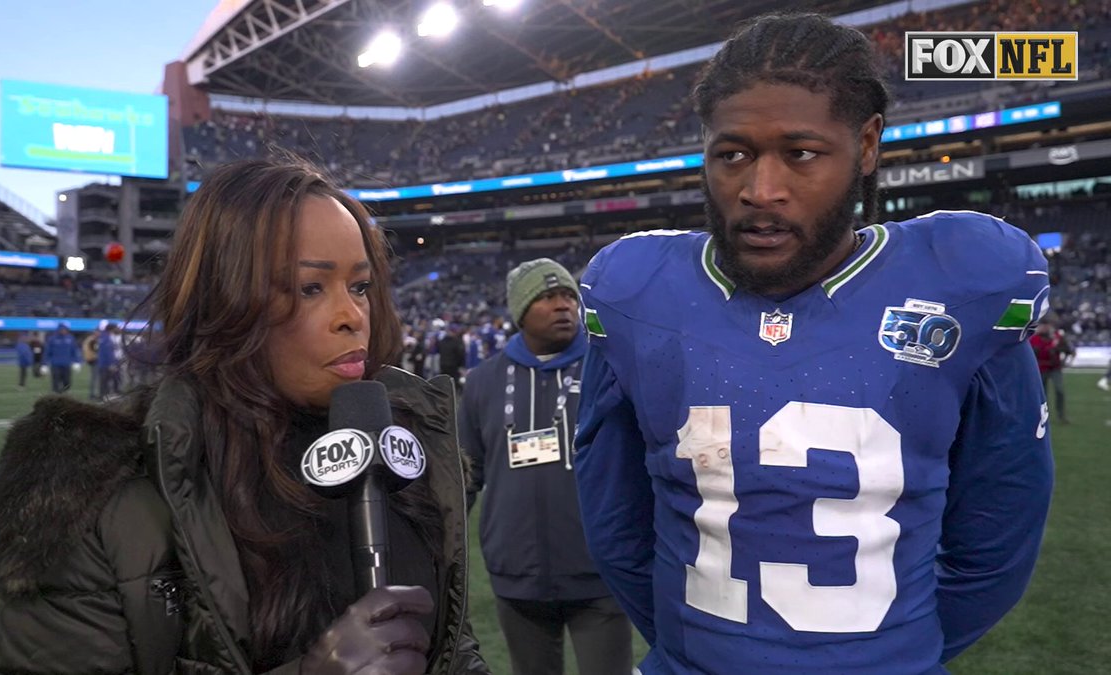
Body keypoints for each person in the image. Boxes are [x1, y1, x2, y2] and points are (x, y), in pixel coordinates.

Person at [574, 13, 1053, 674]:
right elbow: (616, 526)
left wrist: (891, 648)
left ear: (866, 146)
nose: (760, 189)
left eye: (799, 153)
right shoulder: (636, 295)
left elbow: (998, 535)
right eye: (732, 153)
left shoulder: (963, 287)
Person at [0, 157, 489, 675]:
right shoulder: (90, 486)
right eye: (310, 288)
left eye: (360, 286)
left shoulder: (407, 450)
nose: (353, 317)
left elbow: (455, 650)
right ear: (228, 299)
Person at [460, 258, 632, 675]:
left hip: (598, 574)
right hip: (516, 574)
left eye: (569, 296)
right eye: (547, 297)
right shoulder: (483, 381)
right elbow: (467, 474)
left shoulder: (609, 368)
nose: (563, 306)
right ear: (520, 311)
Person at [1030, 318, 1074, 424]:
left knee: (1059, 390)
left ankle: (1061, 415)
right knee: (1042, 394)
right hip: (1041, 368)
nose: (1045, 328)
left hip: (1055, 368)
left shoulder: (1058, 337)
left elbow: (1069, 350)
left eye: (1047, 325)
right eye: (1043, 325)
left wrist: (1064, 361)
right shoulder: (1034, 339)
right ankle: (1041, 416)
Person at [42, 323, 81, 393]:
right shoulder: (52, 339)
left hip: (66, 364)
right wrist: (44, 364)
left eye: (65, 330)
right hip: (55, 364)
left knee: (67, 381)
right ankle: (56, 394)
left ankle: (66, 393)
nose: (64, 331)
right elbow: (47, 352)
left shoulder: (70, 338)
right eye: (63, 329)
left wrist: (76, 362)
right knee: (56, 382)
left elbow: (74, 351)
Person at [98, 322, 126, 399]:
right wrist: (112, 364)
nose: (117, 329)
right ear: (112, 329)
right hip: (106, 364)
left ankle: (105, 395)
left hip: (104, 363)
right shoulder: (106, 338)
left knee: (106, 381)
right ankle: (104, 396)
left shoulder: (104, 336)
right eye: (116, 327)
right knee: (105, 381)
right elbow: (108, 352)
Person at [82, 322, 103, 399]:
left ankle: (99, 393)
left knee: (99, 378)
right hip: (95, 361)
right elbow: (87, 350)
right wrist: (91, 358)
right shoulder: (91, 340)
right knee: (95, 378)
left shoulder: (98, 339)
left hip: (100, 361)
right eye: (97, 331)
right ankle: (93, 394)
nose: (98, 333)